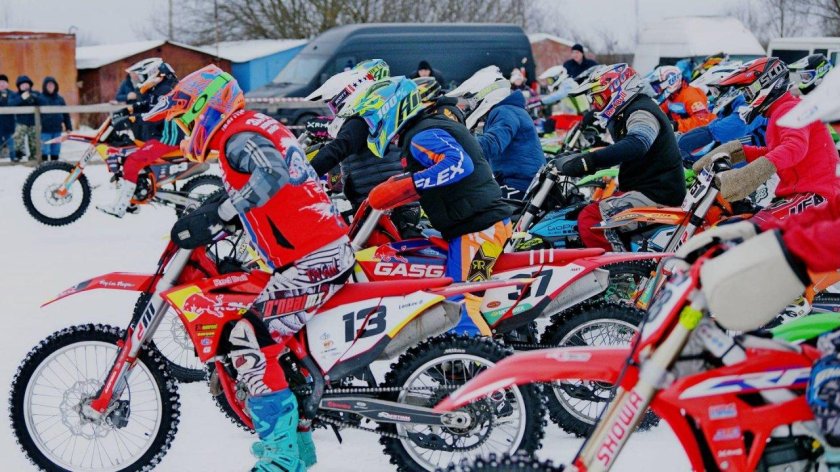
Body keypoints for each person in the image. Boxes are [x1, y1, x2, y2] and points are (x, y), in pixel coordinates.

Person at [145, 65, 351, 471]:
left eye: (185, 120)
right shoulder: (250, 126)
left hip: (315, 258)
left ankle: (280, 457)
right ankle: (298, 449)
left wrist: (224, 213)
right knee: (277, 347)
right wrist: (215, 209)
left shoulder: (237, 135)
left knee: (247, 339)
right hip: (312, 250)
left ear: (205, 109)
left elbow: (271, 172)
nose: (184, 130)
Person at [346, 76, 512, 336]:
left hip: (480, 228)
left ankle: (480, 359)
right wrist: (400, 189)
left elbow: (458, 164)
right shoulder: (424, 129)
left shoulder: (422, 134)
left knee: (460, 303)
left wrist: (409, 184)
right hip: (471, 224)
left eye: (375, 117)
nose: (372, 124)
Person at [691, 57, 840, 224]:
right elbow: (777, 151)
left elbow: (794, 148)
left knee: (749, 229)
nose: (746, 99)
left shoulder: (788, 108)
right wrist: (737, 152)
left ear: (764, 85)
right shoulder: (781, 109)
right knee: (737, 221)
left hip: (818, 194)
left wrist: (742, 177)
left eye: (748, 93)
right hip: (803, 192)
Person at [557, 63, 687, 251]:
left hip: (658, 194)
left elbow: (637, 143)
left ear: (618, 90)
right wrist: (581, 155)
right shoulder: (630, 109)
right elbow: (622, 148)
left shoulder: (641, 112)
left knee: (590, 220)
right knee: (582, 210)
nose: (596, 105)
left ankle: (618, 267)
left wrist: (588, 162)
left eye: (599, 99)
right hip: (647, 188)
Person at [305, 59, 422, 237]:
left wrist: (303, 175)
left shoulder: (361, 120)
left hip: (388, 204)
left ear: (344, 95)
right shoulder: (372, 116)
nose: (333, 109)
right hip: (382, 201)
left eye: (332, 103)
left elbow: (337, 149)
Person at [97, 58, 182, 218]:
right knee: (130, 155)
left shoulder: (166, 90)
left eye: (142, 76)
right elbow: (147, 105)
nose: (140, 80)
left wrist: (131, 119)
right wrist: (127, 110)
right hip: (160, 136)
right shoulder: (160, 88)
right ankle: (134, 199)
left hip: (168, 138)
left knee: (133, 161)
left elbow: (155, 115)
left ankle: (121, 206)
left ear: (153, 73)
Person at [447, 65, 545, 197]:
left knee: (472, 203)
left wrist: (456, 143)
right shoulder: (509, 110)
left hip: (520, 185)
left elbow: (492, 143)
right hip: (521, 181)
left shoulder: (505, 111)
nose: (470, 107)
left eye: (472, 101)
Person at [647, 65, 716, 133]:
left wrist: (676, 125)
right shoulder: (672, 95)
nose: (658, 89)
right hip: (681, 129)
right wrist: (651, 114)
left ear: (671, 82)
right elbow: (663, 108)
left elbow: (703, 120)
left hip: (699, 133)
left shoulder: (691, 97)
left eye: (659, 86)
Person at [37, 77, 72, 161]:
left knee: (56, 150)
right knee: (45, 149)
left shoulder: (60, 99)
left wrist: (68, 127)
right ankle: (44, 165)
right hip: (45, 130)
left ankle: (55, 165)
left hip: (57, 129)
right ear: (45, 86)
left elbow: (66, 114)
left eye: (52, 85)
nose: (50, 87)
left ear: (55, 86)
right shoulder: (40, 98)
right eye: (48, 85)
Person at [10, 75, 38, 160]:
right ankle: (18, 155)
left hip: (33, 123)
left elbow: (42, 101)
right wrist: (22, 98)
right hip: (21, 122)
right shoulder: (15, 95)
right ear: (19, 86)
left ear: (30, 85)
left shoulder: (35, 93)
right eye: (22, 84)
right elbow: (11, 104)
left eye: (26, 84)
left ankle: (33, 158)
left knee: (34, 142)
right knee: (17, 138)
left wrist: (33, 97)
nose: (24, 86)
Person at [0, 74, 15, 161]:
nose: (2, 84)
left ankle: (14, 159)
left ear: (7, 84)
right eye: (0, 82)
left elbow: (13, 104)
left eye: (4, 82)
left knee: (11, 143)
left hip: (9, 124)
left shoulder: (12, 94)